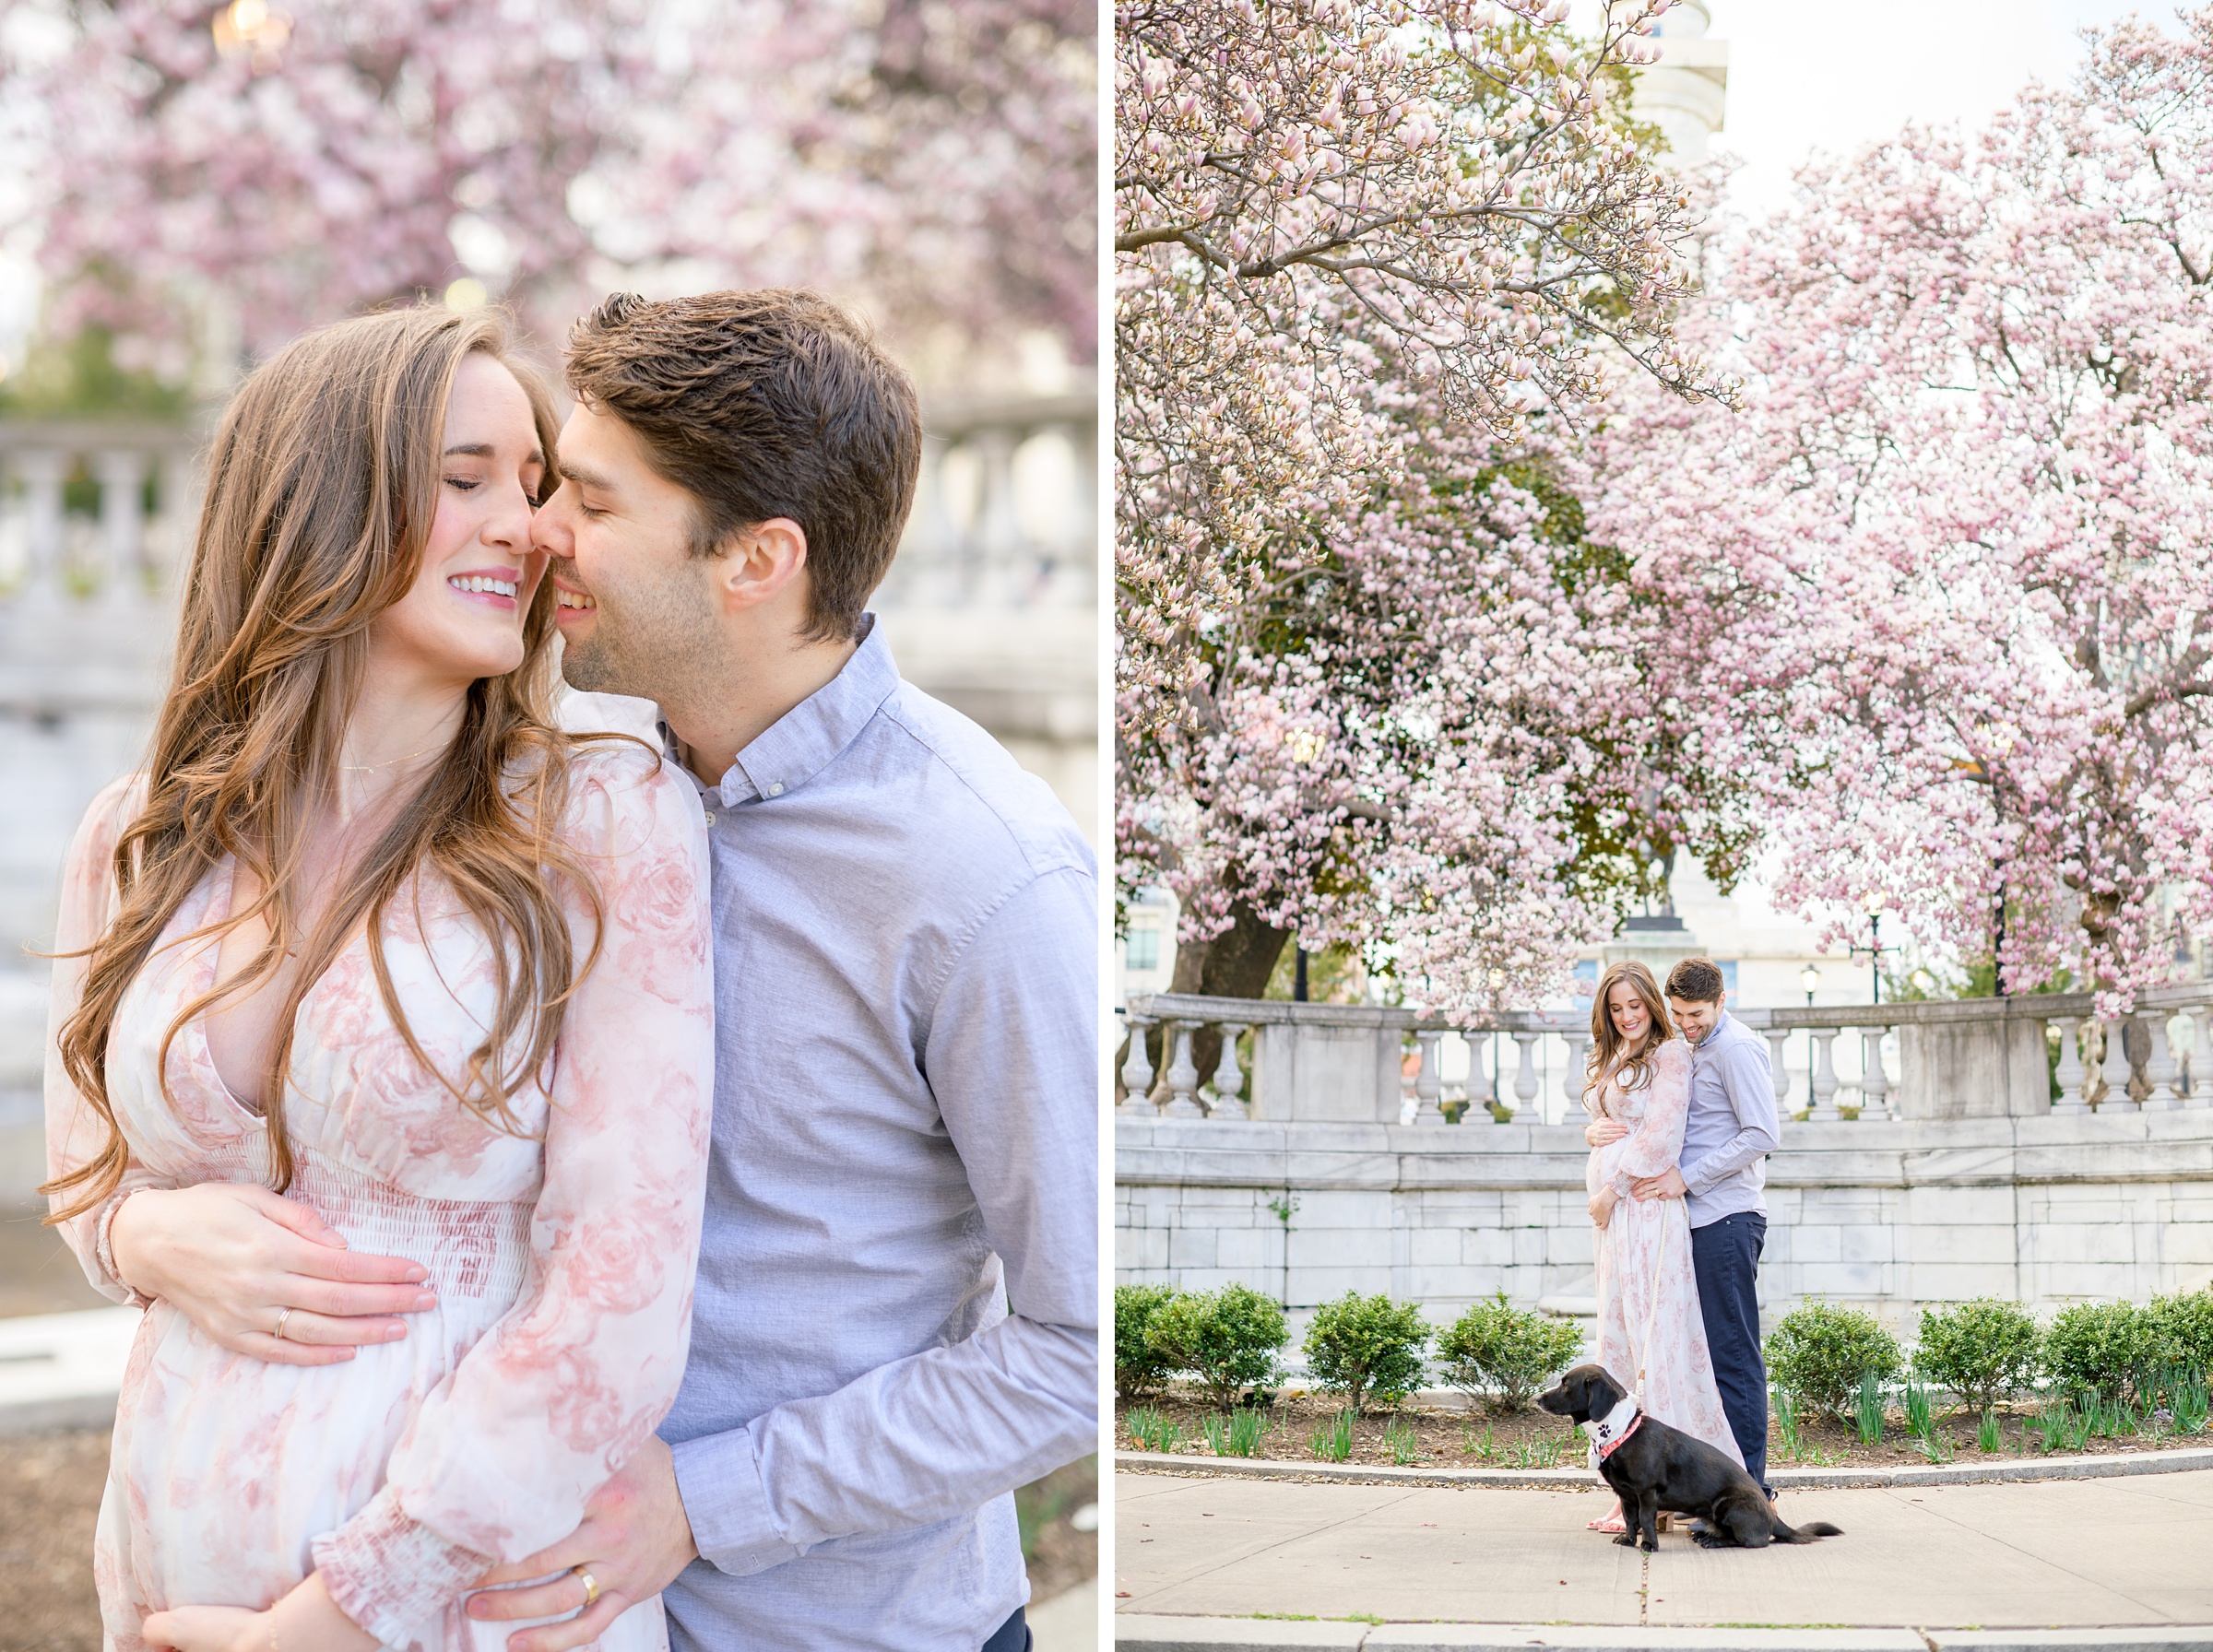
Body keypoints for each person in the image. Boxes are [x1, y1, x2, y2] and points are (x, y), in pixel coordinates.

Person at [103, 289, 1099, 1652]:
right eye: (517, 484)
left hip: (819, 1627)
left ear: (755, 561)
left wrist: (704, 1501)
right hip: (501, 1603)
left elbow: (1078, 1351)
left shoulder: (984, 881)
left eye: (583, 498)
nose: (535, 533)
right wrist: (133, 1232)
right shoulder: (551, 794)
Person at [41, 307, 716, 1652]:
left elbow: (619, 1295)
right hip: (168, 1578)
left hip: (458, 1611)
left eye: (532, 489)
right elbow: (86, 1171)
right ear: (316, 505)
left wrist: (343, 1617)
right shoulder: (142, 837)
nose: (527, 528)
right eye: (465, 479)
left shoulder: (600, 814)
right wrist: (140, 1236)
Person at [1579, 960, 1743, 1533]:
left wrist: (1612, 1190)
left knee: (1659, 1344)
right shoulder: (1618, 1056)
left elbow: (1662, 1138)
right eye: (1616, 1008)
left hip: (1645, 1212)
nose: (1627, 1017)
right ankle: (1630, 1487)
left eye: (1636, 1006)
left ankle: (1668, 1486)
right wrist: (1590, 1132)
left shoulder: (1671, 1055)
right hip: (1618, 1221)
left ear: (1652, 1003)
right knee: (1620, 1339)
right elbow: (1609, 1117)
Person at [1623, 956, 1782, 1495]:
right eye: (1679, 1014)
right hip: (1701, 1220)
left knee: (1733, 1359)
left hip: (1729, 1219)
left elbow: (1762, 1134)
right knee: (1709, 1360)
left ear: (1720, 1000)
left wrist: (1684, 1178)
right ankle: (1720, 1488)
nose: (1686, 1024)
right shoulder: (1697, 1047)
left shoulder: (1735, 1049)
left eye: (1695, 1015)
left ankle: (1752, 1493)